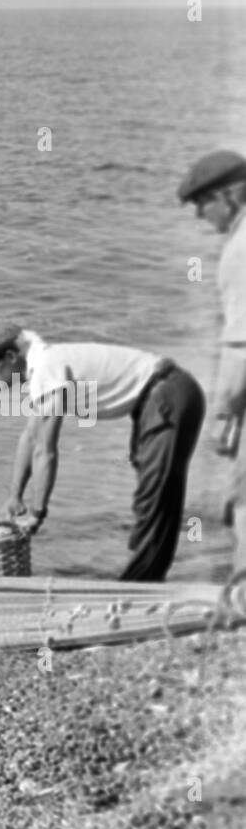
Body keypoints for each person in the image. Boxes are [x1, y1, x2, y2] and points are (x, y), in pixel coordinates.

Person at [0, 322, 205, 582]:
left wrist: (37, 513)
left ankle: (141, 583)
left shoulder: (47, 367)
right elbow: (30, 437)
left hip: (168, 393)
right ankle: (143, 572)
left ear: (11, 357)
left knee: (157, 492)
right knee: (149, 495)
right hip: (160, 396)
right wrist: (14, 496)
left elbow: (46, 450)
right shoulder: (42, 367)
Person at [177, 149, 246, 575]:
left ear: (231, 196)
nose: (201, 216)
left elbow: (241, 347)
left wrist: (223, 414)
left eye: (203, 204)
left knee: (243, 499)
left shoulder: (240, 250)